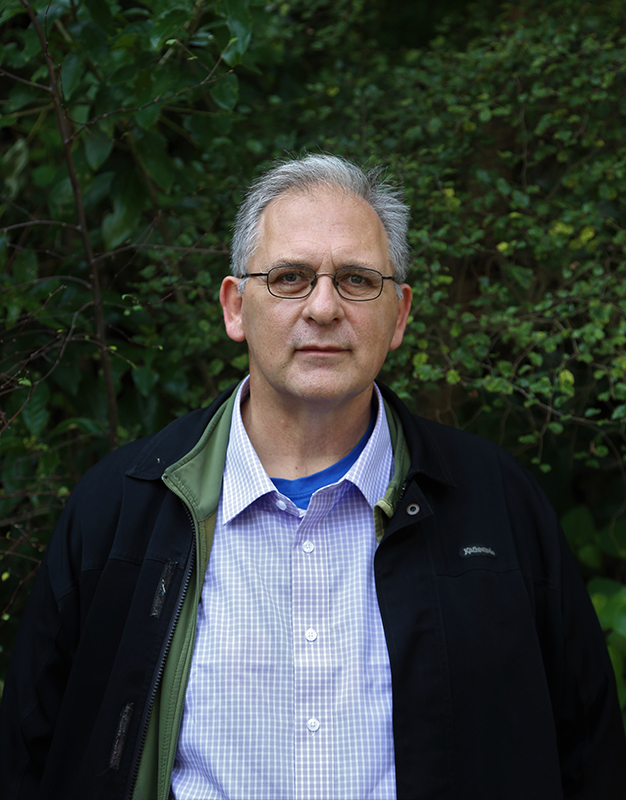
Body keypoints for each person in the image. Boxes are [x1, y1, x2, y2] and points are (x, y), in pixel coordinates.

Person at [0, 154, 624, 800]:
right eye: (291, 278)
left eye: (356, 279)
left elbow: (589, 756)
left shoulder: (498, 510)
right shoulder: (119, 513)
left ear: (400, 315)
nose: (323, 308)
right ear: (235, 307)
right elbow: (31, 757)